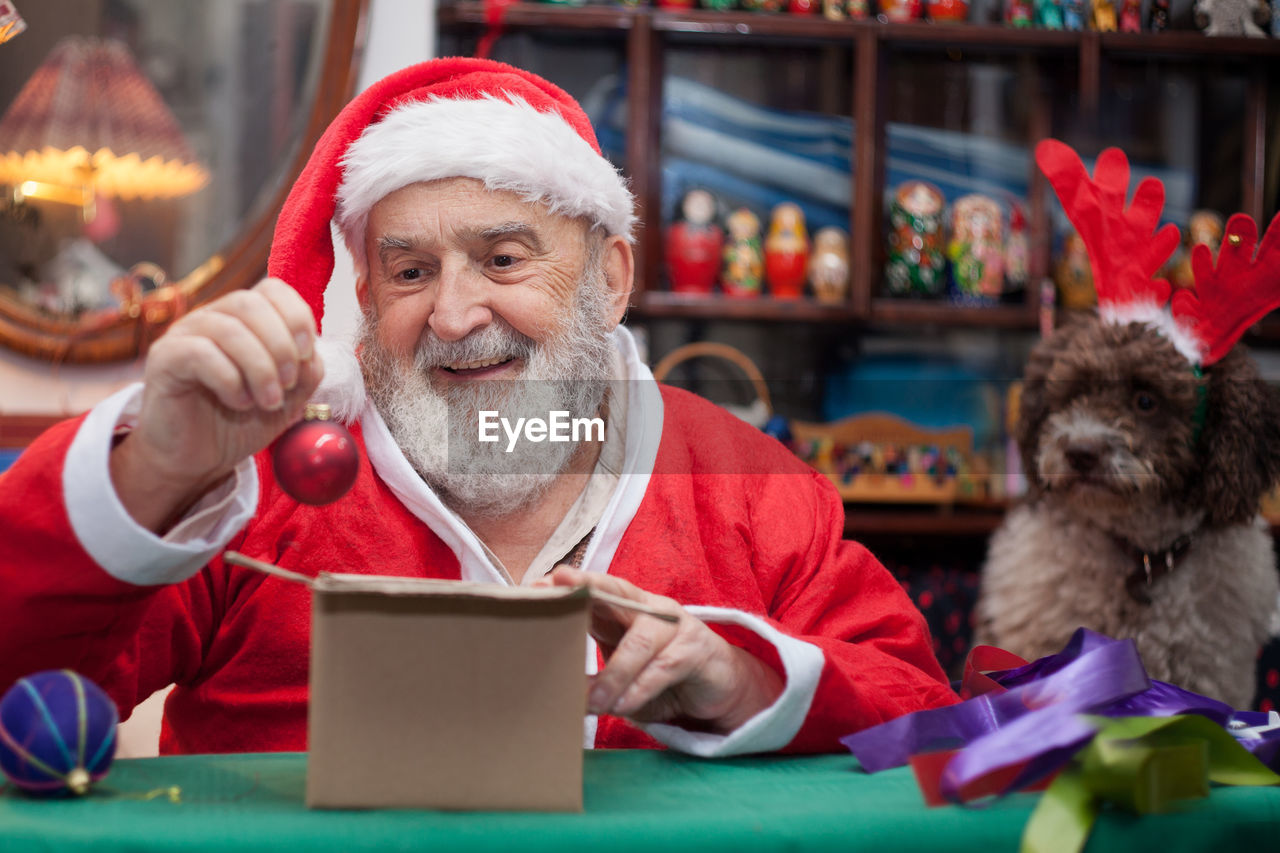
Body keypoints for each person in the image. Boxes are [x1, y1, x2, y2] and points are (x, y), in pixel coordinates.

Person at [0, 58, 956, 757]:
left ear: (609, 277)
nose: (454, 316)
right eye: (409, 271)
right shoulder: (261, 481)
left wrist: (748, 681)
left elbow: (928, 720)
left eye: (504, 259)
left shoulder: (753, 488)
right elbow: (21, 682)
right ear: (366, 302)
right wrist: (157, 468)